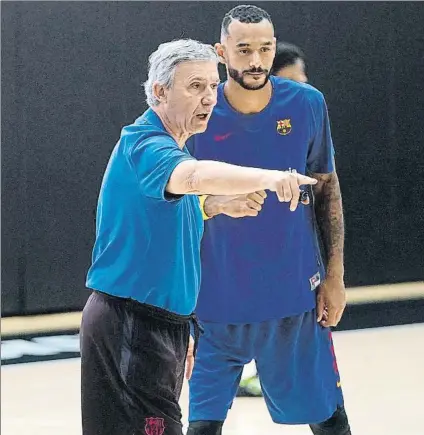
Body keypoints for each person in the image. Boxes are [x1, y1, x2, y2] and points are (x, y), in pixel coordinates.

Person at [80, 38, 318, 435]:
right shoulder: (146, 145)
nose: (209, 97)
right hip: (131, 325)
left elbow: (163, 214)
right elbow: (191, 176)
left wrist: (213, 206)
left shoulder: (166, 151)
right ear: (160, 92)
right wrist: (274, 177)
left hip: (161, 324)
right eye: (195, 87)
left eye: (212, 86)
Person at [187, 5, 351, 435]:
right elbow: (174, 202)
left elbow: (326, 190)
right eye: (244, 50)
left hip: (292, 299)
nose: (256, 60)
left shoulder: (307, 103)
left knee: (329, 421)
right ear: (221, 52)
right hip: (216, 305)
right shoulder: (198, 113)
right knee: (201, 427)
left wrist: (334, 276)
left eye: (265, 48)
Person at [237, 39, 310, 398]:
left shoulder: (307, 121)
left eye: (304, 78)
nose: (303, 87)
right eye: (292, 81)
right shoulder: (244, 125)